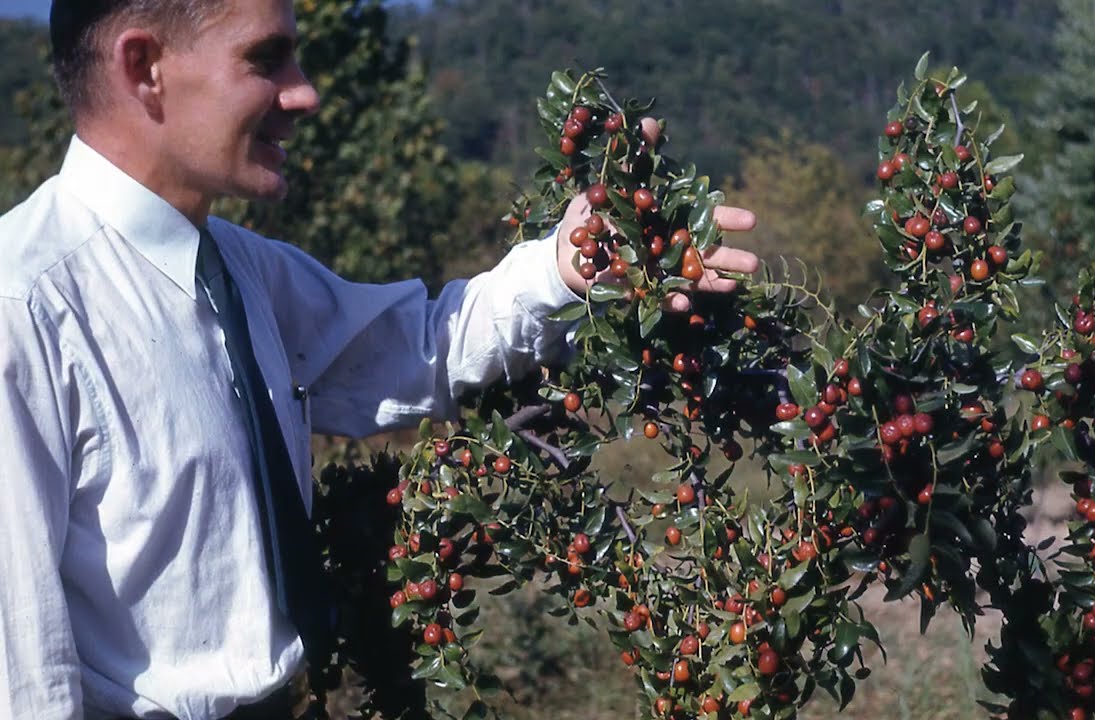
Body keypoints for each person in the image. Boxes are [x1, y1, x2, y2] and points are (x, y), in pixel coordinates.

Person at [0, 1, 758, 718]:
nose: (305, 95)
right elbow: (22, 677)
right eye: (268, 59)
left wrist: (568, 265)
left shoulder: (243, 272)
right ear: (145, 67)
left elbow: (420, 350)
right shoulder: (24, 312)